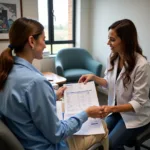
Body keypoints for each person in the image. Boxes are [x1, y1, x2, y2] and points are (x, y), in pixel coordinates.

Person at [0, 17, 108, 150]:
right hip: (45, 146)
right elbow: (57, 134)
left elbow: (25, 103)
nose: (45, 45)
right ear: (31, 41)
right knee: (102, 126)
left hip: (25, 139)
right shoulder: (36, 82)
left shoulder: (7, 71)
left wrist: (54, 95)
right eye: (44, 39)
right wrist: (86, 113)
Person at [79, 19, 150, 150]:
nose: (108, 43)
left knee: (109, 144)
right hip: (116, 111)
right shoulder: (113, 57)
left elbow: (139, 103)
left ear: (125, 41)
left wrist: (111, 109)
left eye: (112, 40)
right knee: (99, 136)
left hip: (135, 116)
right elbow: (109, 82)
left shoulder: (142, 65)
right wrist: (94, 77)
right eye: (108, 39)